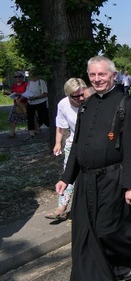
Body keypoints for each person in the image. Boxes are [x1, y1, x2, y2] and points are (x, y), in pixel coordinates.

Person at [55, 56, 131, 281]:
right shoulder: (86, 104)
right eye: (93, 75)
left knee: (108, 229)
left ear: (113, 75)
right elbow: (77, 147)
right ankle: (94, 279)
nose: (97, 79)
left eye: (102, 75)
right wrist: (67, 177)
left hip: (113, 178)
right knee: (86, 230)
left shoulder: (126, 104)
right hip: (86, 180)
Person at [46, 78, 89, 220]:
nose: (79, 99)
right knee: (68, 174)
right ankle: (62, 207)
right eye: (75, 96)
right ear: (67, 94)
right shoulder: (63, 104)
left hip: (93, 143)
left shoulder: (91, 101)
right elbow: (61, 126)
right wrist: (58, 143)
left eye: (82, 95)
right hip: (74, 143)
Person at [22, 69, 49, 141]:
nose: (30, 75)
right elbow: (27, 91)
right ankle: (31, 134)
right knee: (30, 118)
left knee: (43, 117)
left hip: (40, 102)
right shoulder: (30, 83)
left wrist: (36, 97)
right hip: (31, 103)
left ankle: (52, 128)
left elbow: (45, 93)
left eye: (31, 74)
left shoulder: (41, 82)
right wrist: (26, 96)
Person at [3, 71, 28, 139]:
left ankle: (36, 129)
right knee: (12, 118)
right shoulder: (14, 85)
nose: (18, 78)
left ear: (23, 77)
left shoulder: (26, 84)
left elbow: (28, 93)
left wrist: (19, 93)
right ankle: (12, 133)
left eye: (19, 76)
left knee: (30, 117)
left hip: (25, 103)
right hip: (16, 103)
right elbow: (13, 94)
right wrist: (7, 93)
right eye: (16, 77)